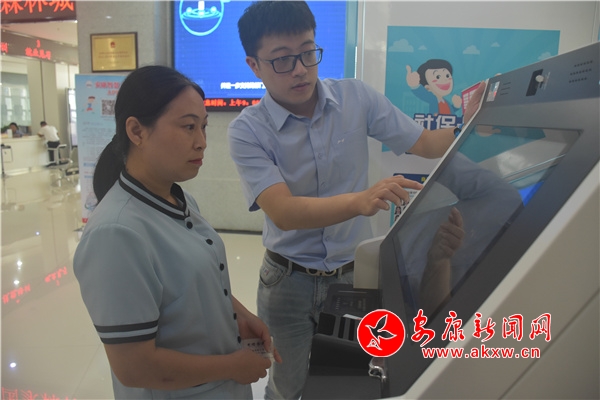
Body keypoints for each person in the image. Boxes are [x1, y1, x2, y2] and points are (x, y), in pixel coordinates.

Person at [227, 2, 486, 399]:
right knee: (286, 386)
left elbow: (425, 143)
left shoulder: (355, 98)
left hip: (352, 276)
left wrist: (474, 119)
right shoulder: (247, 130)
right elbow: (284, 212)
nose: (300, 69)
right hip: (286, 280)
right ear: (254, 65)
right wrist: (360, 201)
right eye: (282, 60)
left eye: (308, 52)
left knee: (346, 382)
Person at [73, 65, 280, 399]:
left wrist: (240, 315)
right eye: (188, 127)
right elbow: (134, 367)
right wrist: (232, 366)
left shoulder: (179, 199)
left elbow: (192, 284)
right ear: (136, 131)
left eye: (203, 127)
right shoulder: (115, 234)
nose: (201, 143)